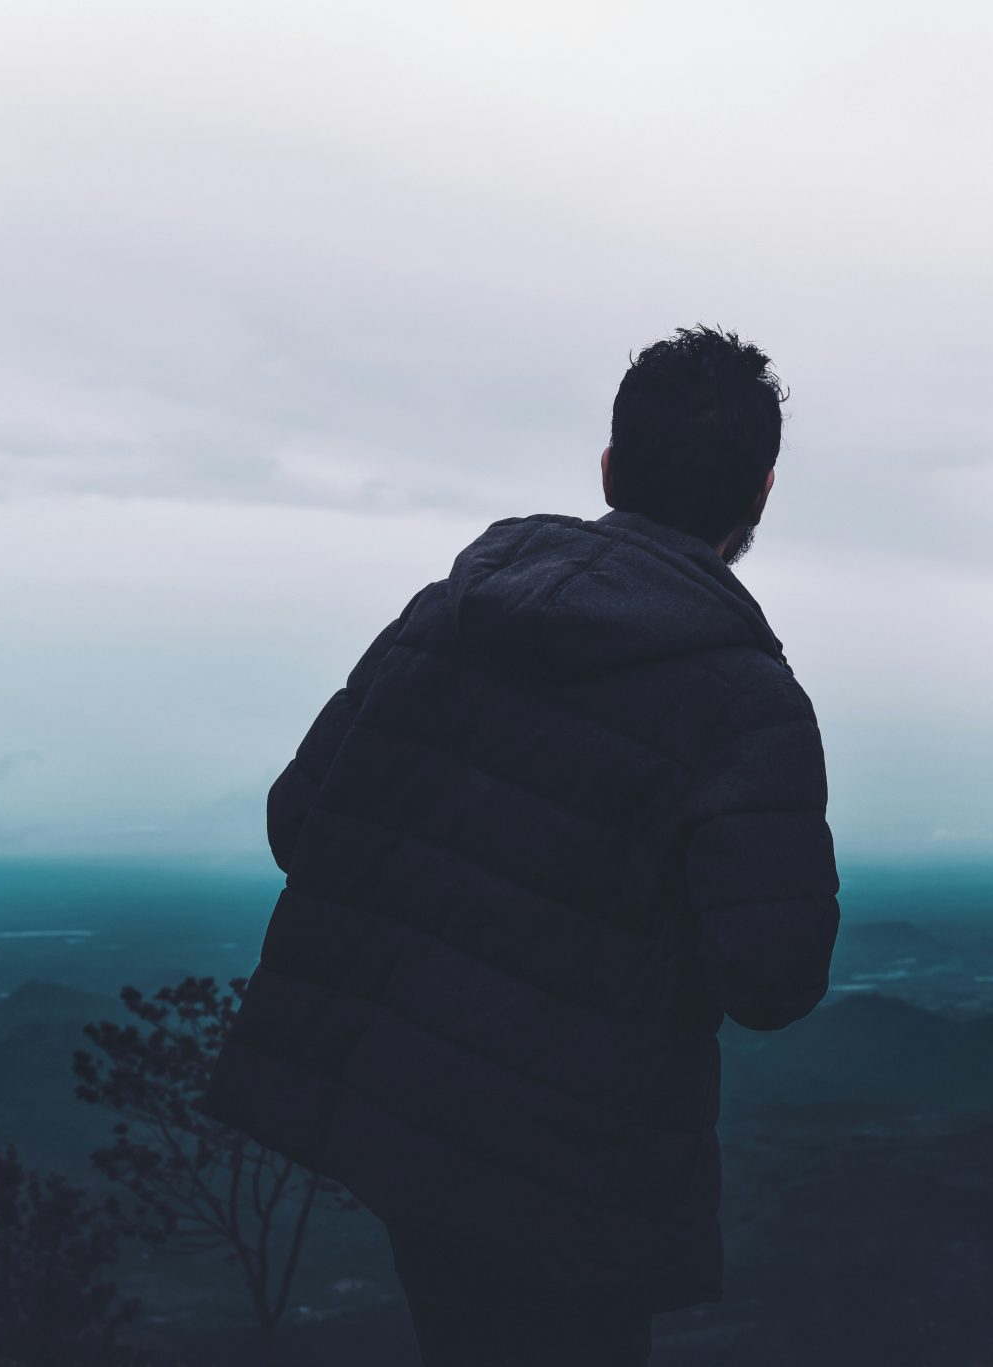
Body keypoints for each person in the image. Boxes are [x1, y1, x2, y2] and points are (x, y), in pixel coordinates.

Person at [199, 324, 841, 1365]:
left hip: (407, 1122)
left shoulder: (446, 616)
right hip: (571, 1170)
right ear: (760, 494)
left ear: (608, 468)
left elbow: (297, 822)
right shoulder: (743, 703)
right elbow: (772, 977)